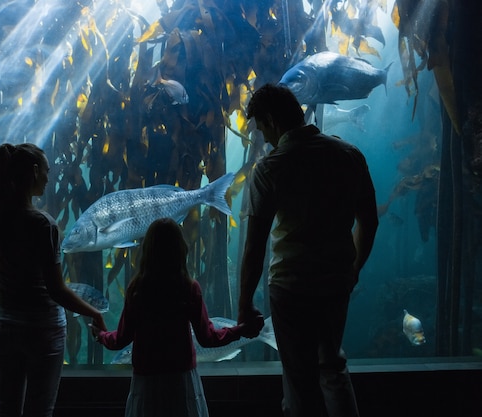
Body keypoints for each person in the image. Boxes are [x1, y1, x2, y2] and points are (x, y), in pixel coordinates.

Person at [237, 84, 379, 417]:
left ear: (271, 120)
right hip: (335, 280)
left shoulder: (270, 168)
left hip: (290, 286)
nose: (264, 138)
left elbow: (255, 246)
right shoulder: (349, 155)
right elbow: (369, 221)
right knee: (332, 366)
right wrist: (353, 268)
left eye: (261, 128)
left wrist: (245, 304)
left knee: (298, 378)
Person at [0, 143, 107, 417]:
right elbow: (56, 290)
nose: (49, 177)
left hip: (6, 329)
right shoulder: (43, 225)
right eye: (46, 171)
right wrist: (93, 312)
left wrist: (8, 308)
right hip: (43, 331)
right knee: (39, 411)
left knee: (5, 409)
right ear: (35, 172)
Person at [90, 217, 263, 417]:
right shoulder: (188, 288)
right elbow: (208, 338)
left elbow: (120, 339)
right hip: (181, 381)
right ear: (181, 250)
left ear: (146, 251)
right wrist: (240, 330)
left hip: (147, 382)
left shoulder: (137, 290)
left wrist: (101, 334)